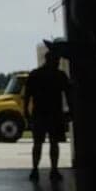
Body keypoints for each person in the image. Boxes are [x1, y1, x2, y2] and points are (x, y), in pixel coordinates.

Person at [24, 48, 71, 182]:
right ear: (51, 60)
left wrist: (26, 111)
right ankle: (54, 170)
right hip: (54, 113)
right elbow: (68, 94)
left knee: (38, 143)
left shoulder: (35, 74)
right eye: (56, 60)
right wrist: (71, 111)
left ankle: (35, 169)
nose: (57, 62)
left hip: (39, 113)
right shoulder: (60, 76)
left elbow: (27, 95)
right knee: (54, 143)